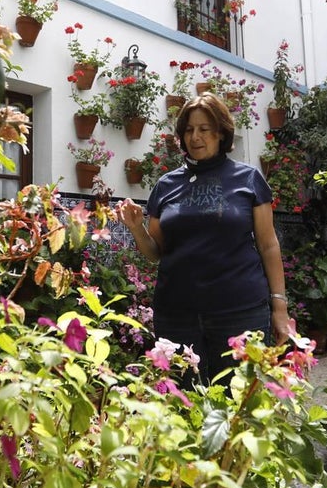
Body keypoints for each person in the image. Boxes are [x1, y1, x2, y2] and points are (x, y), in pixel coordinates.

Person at [117, 92, 291, 382]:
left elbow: (268, 244)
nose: (195, 137)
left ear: (221, 132)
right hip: (177, 316)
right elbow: (156, 251)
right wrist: (136, 228)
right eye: (188, 130)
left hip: (240, 313)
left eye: (204, 129)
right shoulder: (166, 185)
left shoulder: (248, 179)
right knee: (183, 400)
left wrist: (280, 307)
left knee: (241, 400)